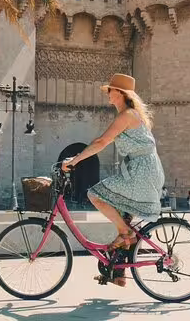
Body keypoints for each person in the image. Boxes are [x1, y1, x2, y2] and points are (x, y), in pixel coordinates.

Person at [62, 74, 164, 287]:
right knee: (122, 219)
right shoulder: (128, 115)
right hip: (142, 170)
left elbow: (102, 142)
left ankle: (126, 234)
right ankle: (118, 274)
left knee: (94, 194)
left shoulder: (127, 115)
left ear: (121, 93)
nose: (108, 94)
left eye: (111, 90)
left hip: (141, 172)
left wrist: (76, 160)